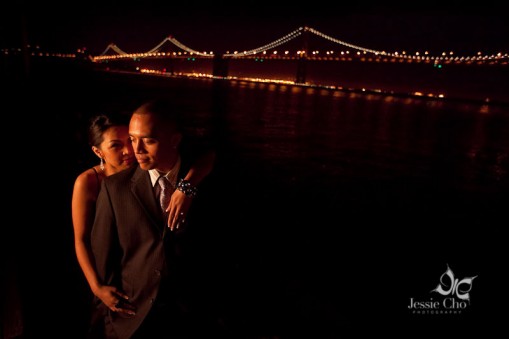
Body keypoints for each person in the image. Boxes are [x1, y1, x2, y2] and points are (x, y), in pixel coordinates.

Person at [71, 112, 215, 335]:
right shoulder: (93, 183)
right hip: (116, 287)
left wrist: (187, 185)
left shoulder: (149, 168)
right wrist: (97, 288)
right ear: (98, 152)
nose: (131, 151)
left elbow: (209, 154)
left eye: (131, 140)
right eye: (116, 146)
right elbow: (83, 240)